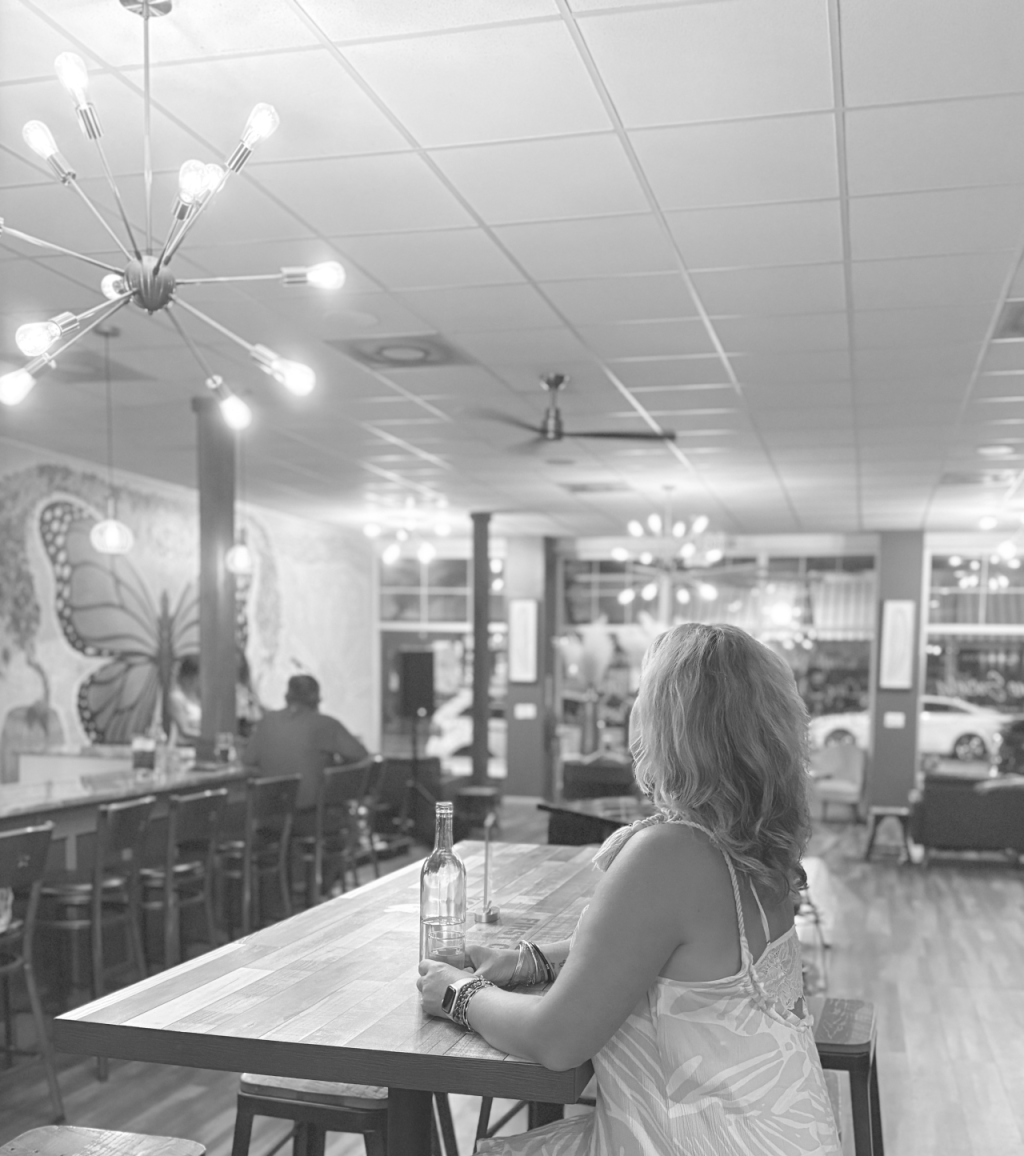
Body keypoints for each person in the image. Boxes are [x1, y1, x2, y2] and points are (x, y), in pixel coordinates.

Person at [418, 623, 842, 1155]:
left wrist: (458, 994)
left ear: (670, 726)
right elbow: (663, 956)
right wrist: (532, 962)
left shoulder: (669, 855)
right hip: (780, 1133)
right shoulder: (753, 846)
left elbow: (558, 1040)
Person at [243, 674, 369, 812]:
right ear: (316, 700)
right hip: (312, 821)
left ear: (287, 697)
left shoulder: (267, 721)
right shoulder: (325, 724)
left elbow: (247, 760)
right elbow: (362, 757)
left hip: (267, 822)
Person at [168, 655, 201, 742]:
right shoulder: (176, 698)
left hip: (203, 747)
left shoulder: (199, 697)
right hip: (185, 748)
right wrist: (209, 737)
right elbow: (185, 731)